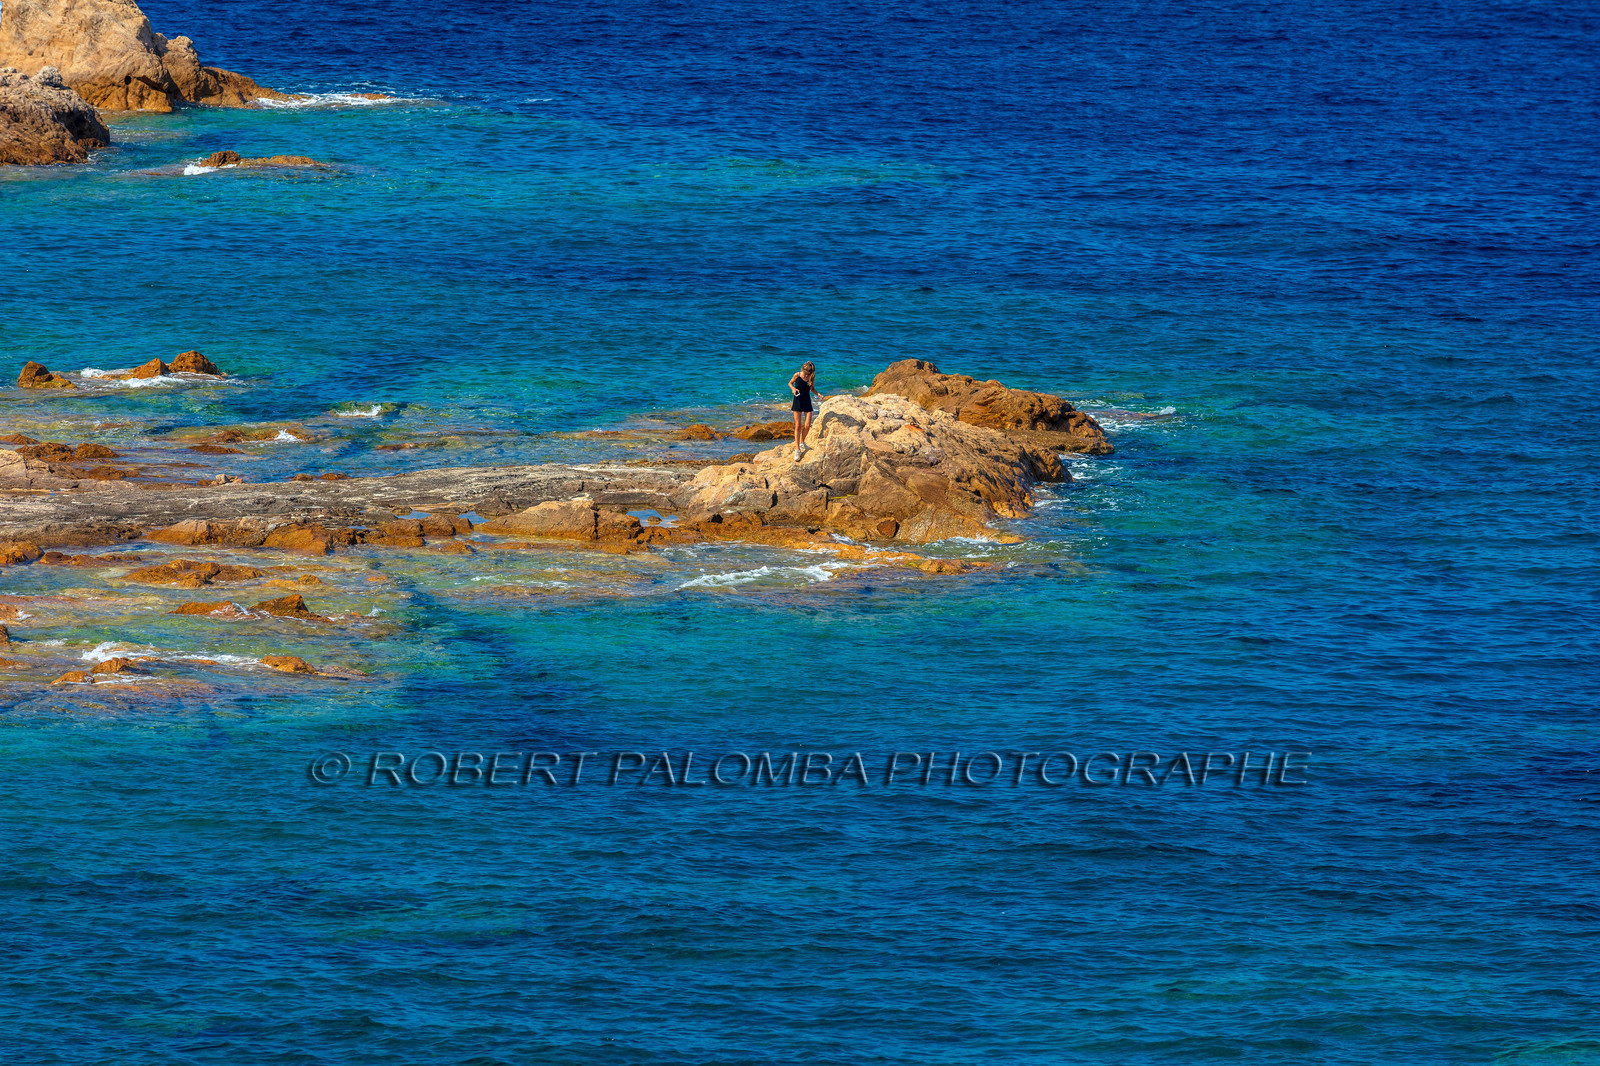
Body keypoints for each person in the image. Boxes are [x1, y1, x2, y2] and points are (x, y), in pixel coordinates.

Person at [789, 361, 824, 460]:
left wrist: (818, 394)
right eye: (805, 373)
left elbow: (812, 389)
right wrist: (793, 389)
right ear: (802, 370)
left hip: (807, 401)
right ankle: (797, 450)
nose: (806, 375)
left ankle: (802, 442)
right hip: (798, 400)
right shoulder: (797, 375)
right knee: (798, 425)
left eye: (808, 374)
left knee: (808, 425)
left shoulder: (811, 378)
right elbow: (790, 383)